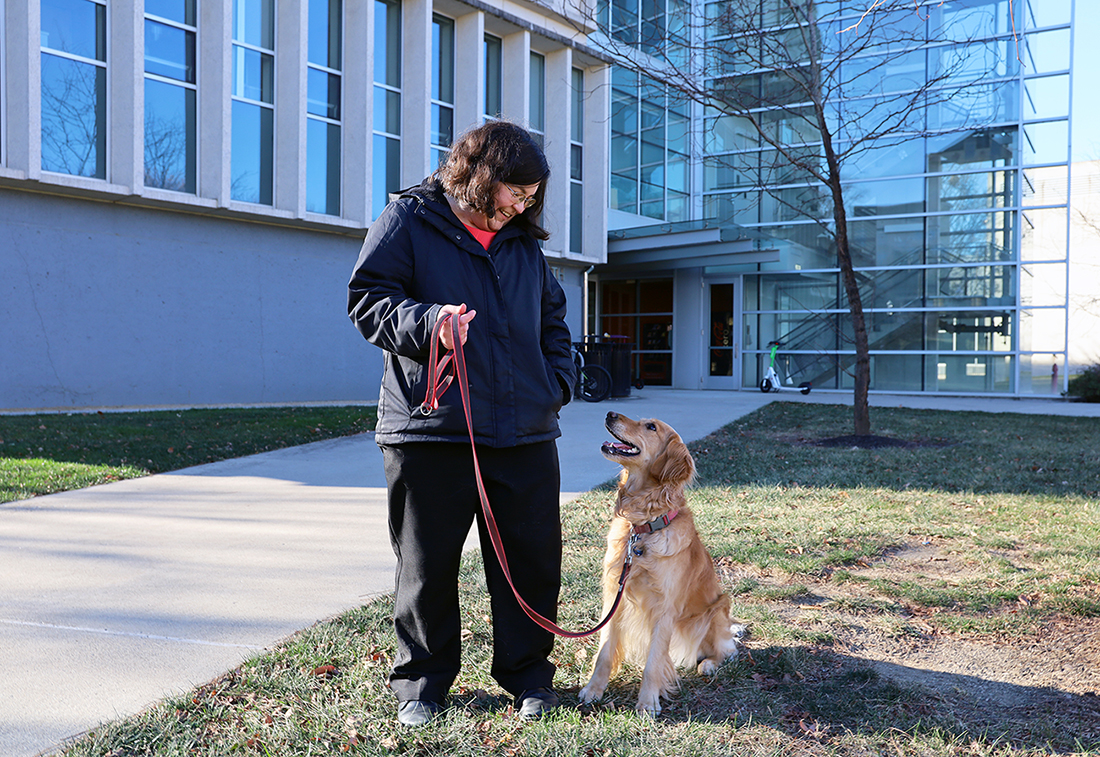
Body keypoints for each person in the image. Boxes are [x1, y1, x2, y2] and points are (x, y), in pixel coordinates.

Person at [347, 120, 576, 727]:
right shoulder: (407, 221)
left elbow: (553, 317)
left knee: (528, 562)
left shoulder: (524, 242)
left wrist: (557, 383)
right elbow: (368, 301)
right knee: (426, 567)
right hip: (430, 430)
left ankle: (527, 677)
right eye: (513, 192)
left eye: (530, 196)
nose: (521, 205)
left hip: (524, 431)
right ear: (478, 177)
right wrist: (427, 323)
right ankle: (422, 685)